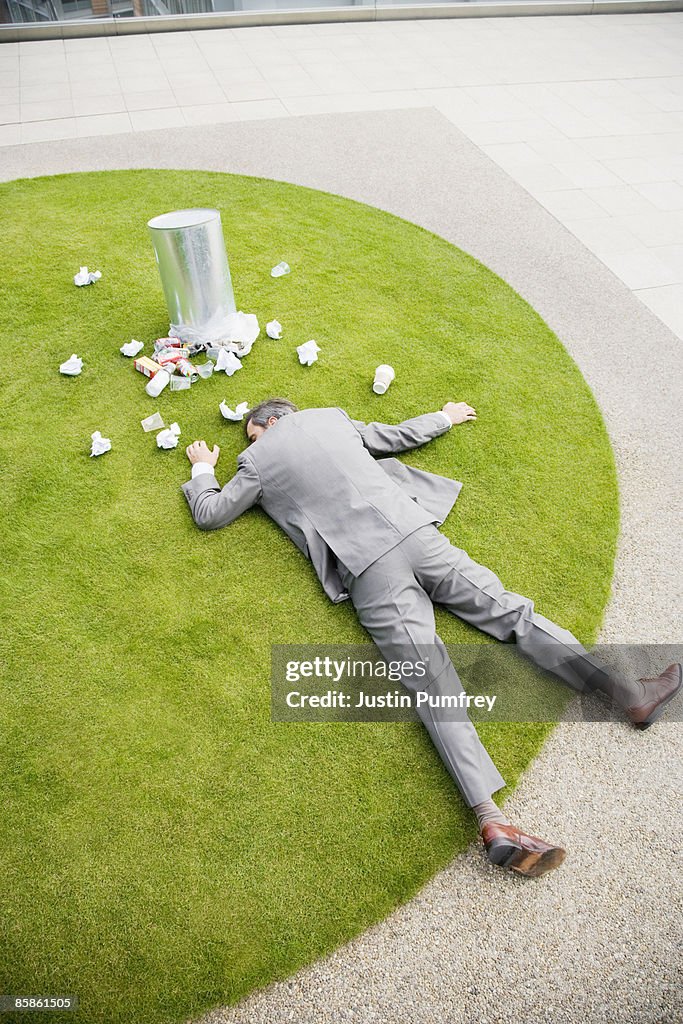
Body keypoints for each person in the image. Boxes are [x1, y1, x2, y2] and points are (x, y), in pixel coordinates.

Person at [182, 398, 681, 878]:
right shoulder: (329, 418)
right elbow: (394, 437)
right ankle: (631, 694)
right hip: (417, 535)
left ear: (266, 424)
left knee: (431, 680)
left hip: (370, 570)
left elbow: (212, 513)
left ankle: (493, 820)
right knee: (513, 613)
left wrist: (203, 468)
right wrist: (444, 417)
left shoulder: (255, 460)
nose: (251, 438)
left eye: (251, 431)